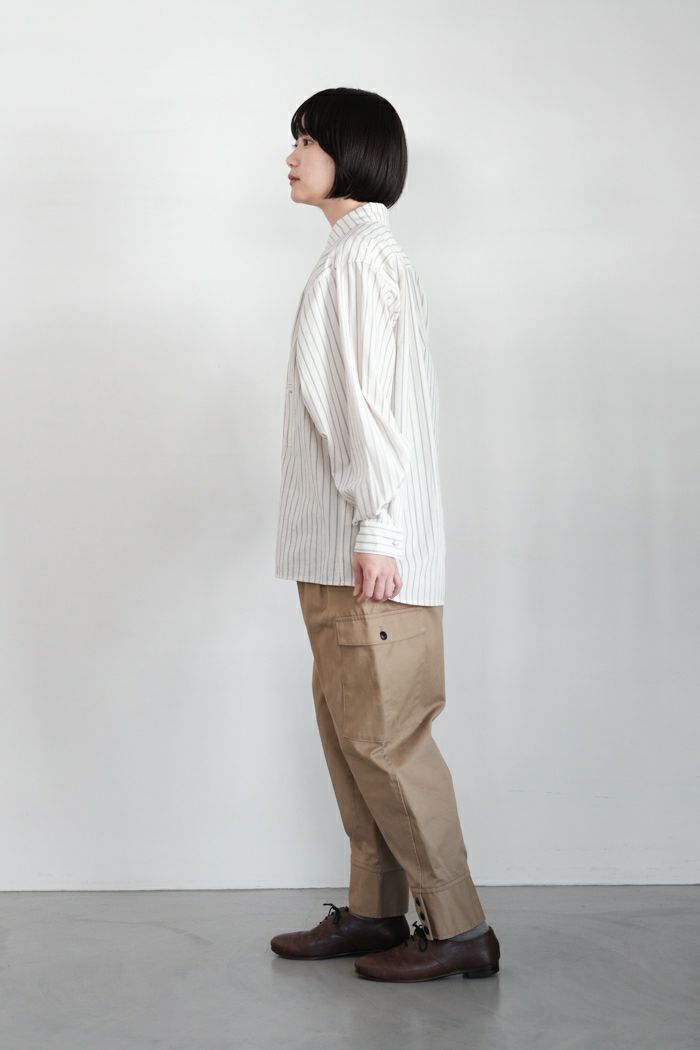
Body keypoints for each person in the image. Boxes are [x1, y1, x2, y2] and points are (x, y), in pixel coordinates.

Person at [271, 87, 501, 983]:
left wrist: (376, 526)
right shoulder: (352, 256)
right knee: (351, 736)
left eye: (307, 140)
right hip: (340, 554)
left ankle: (461, 928)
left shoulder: (361, 263)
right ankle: (374, 912)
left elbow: (371, 413)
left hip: (369, 554)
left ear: (352, 152)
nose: (291, 156)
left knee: (386, 740)